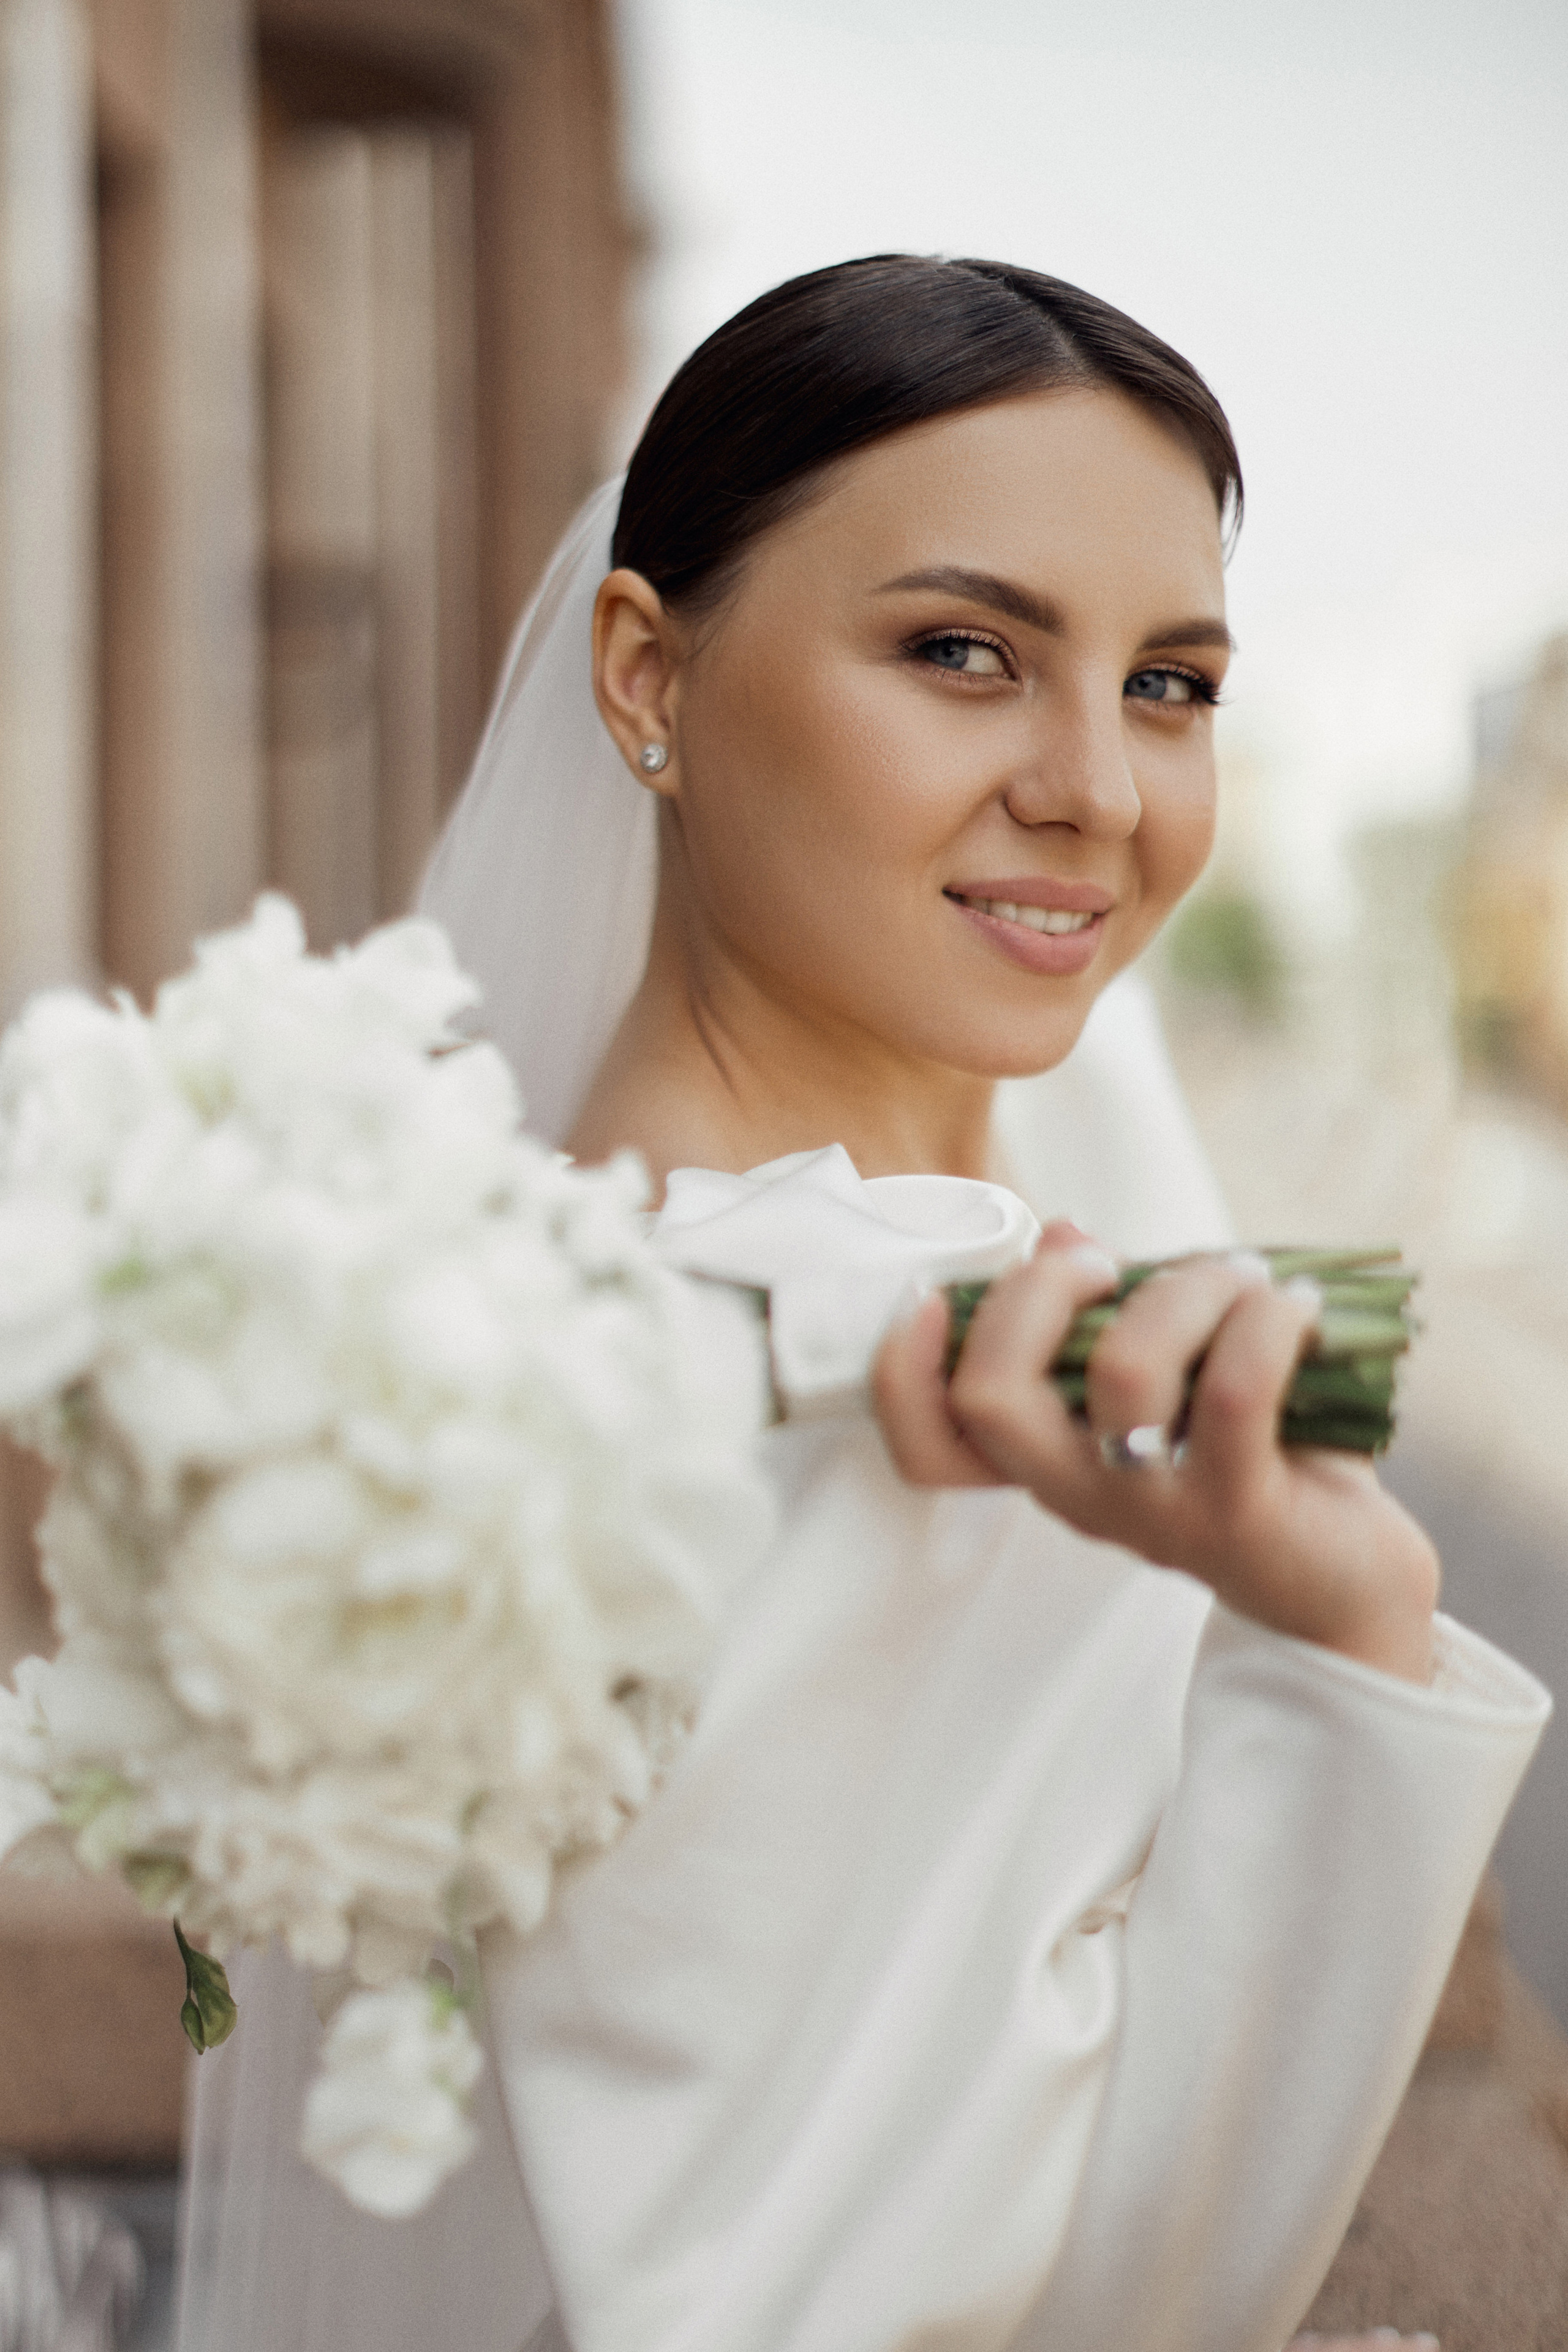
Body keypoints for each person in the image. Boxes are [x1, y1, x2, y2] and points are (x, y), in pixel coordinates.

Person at [176, 258, 1547, 2352]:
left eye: (1170, 684)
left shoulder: (541, 1294)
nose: (1100, 788)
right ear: (646, 674)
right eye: (962, 651)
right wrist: (1352, 1631)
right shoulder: (811, 1372)